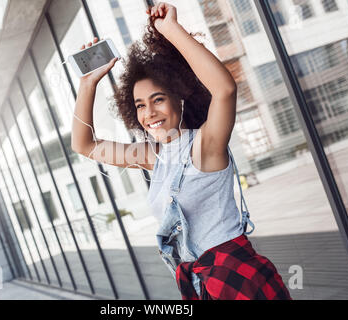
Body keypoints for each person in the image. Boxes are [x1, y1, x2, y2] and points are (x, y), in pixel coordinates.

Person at [71, 2, 291, 300]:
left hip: (238, 280)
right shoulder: (153, 157)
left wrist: (171, 30)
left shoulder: (205, 145)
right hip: (199, 286)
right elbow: (84, 145)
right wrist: (88, 83)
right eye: (140, 105)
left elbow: (224, 89)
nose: (149, 113)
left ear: (180, 98)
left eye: (158, 99)